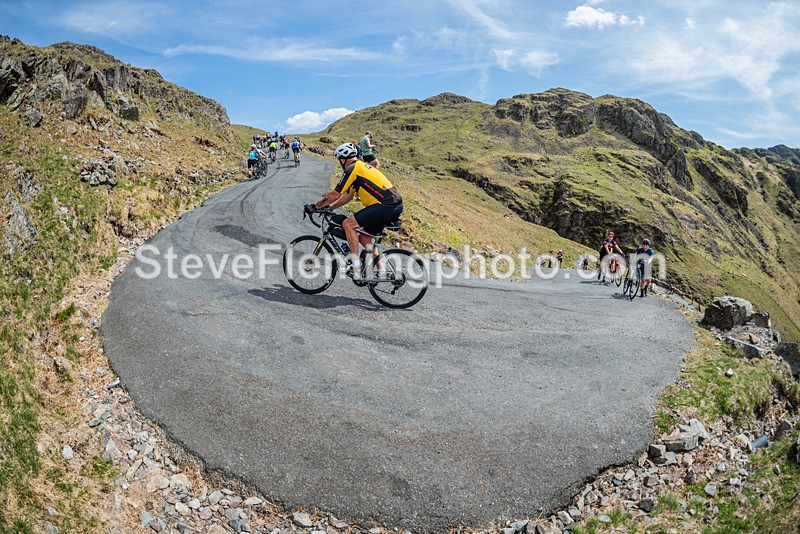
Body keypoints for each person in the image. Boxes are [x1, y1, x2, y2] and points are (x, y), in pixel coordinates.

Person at [303, 143, 402, 279]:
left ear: (343, 159)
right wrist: (329, 208)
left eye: (339, 160)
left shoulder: (352, 169)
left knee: (348, 224)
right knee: (365, 238)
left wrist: (315, 207)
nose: (339, 163)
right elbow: (348, 196)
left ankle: (355, 264)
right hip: (393, 204)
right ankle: (382, 271)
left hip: (385, 205)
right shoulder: (361, 167)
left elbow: (335, 194)